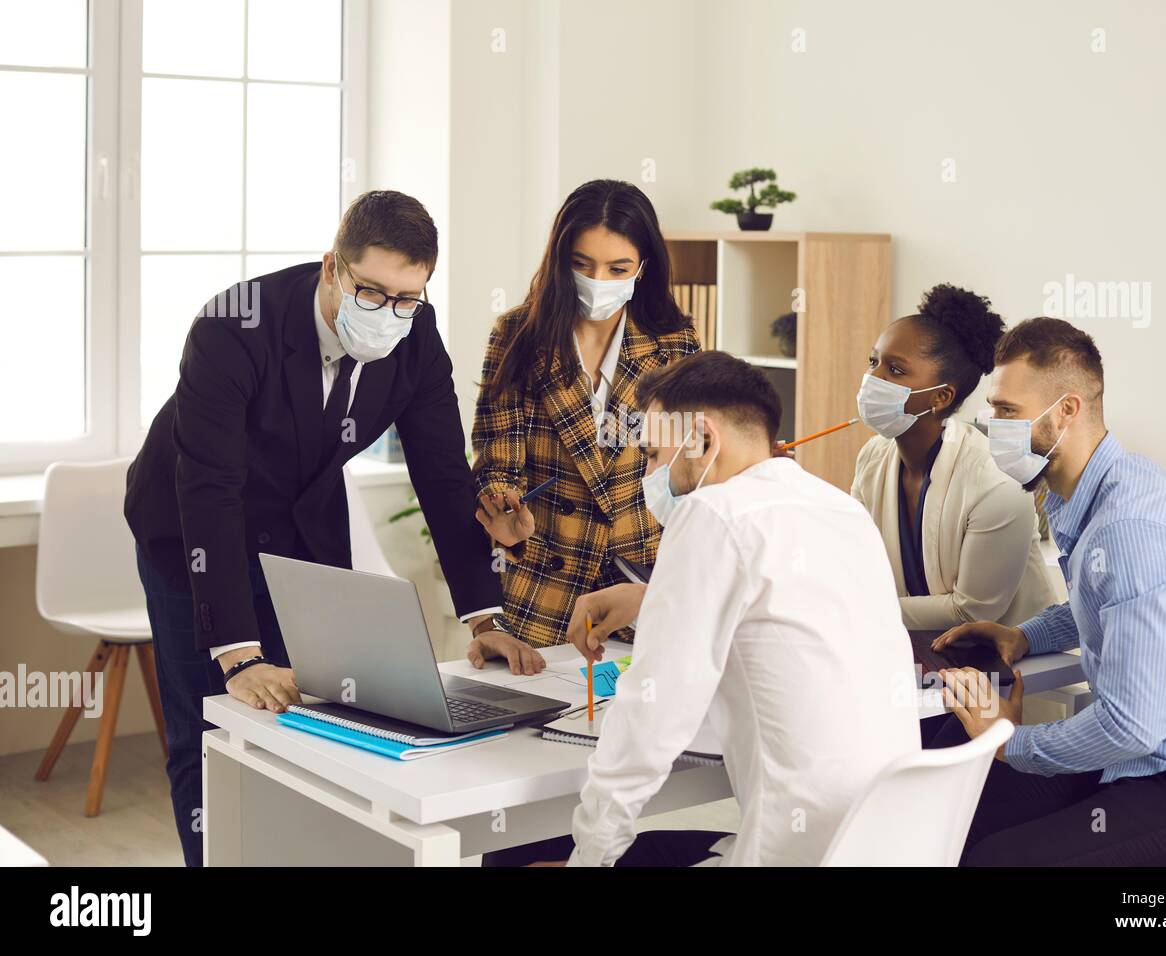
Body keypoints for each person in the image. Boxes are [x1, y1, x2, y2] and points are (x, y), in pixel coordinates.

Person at [124, 190, 503, 866]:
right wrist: (237, 654)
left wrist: (483, 616)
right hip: (189, 530)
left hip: (301, 524)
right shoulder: (232, 326)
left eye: (406, 298)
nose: (389, 314)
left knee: (318, 719)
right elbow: (210, 490)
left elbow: (443, 475)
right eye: (371, 291)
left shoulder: (416, 333)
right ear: (333, 266)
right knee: (210, 728)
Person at [503, 351, 920, 866]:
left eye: (653, 454)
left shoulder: (712, 511)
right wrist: (652, 602)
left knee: (522, 853)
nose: (649, 474)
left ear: (700, 437)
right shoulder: (840, 509)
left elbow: (652, 719)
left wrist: (590, 857)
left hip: (793, 854)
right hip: (883, 844)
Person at [928, 317, 1166, 866]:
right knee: (954, 815)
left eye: (1006, 412)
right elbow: (1104, 596)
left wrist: (1009, 742)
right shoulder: (1097, 489)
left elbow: (1129, 725)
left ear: (1066, 409)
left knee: (997, 860)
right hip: (1138, 761)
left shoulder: (1129, 525)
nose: (991, 426)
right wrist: (1024, 635)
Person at [468, 179, 699, 673]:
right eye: (582, 264)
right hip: (541, 601)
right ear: (559, 260)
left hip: (642, 593)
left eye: (617, 268)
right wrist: (505, 512)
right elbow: (495, 461)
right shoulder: (517, 336)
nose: (599, 279)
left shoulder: (675, 341)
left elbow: (690, 466)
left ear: (643, 267)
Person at [850, 284, 1057, 632]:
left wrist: (859, 610)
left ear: (941, 397)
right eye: (873, 362)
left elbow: (972, 613)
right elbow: (857, 563)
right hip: (920, 652)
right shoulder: (873, 457)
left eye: (895, 370)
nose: (873, 378)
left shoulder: (997, 482)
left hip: (1014, 667)